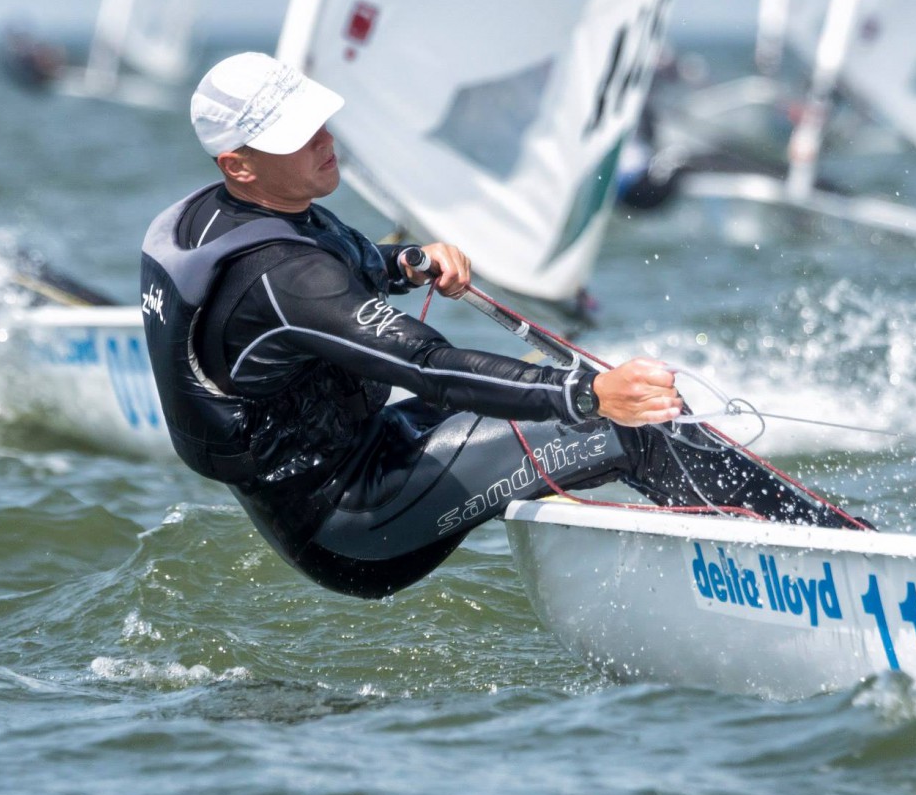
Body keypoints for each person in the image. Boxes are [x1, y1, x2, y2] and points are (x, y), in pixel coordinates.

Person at [141, 52, 867, 600]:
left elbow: (334, 277)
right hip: (353, 521)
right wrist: (589, 396)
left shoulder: (228, 216)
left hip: (360, 463)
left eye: (318, 119)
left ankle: (792, 555)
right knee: (630, 424)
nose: (324, 138)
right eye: (297, 135)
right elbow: (425, 364)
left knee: (586, 405)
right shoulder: (281, 277)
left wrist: (406, 263)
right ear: (238, 163)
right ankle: (842, 570)